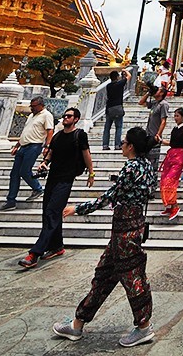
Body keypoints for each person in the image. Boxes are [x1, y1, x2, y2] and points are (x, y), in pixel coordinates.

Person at [55, 127, 157, 348]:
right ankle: (77, 323)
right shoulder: (148, 166)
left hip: (125, 233)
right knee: (103, 276)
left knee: (133, 278)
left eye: (124, 142)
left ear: (131, 146)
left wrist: (78, 208)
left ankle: (144, 326)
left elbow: (110, 196)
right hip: (130, 228)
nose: (121, 145)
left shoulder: (131, 168)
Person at [19, 107, 95, 268]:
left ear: (76, 119)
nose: (65, 118)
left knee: (52, 212)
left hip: (66, 179)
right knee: (49, 212)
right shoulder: (58, 135)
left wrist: (91, 172)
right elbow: (50, 152)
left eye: (69, 116)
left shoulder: (80, 135)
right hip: (52, 177)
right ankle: (57, 246)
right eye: (64, 116)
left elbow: (86, 153)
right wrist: (44, 162)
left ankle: (35, 253)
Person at [0, 96, 53, 211]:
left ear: (41, 105)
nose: (32, 108)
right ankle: (11, 200)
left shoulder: (47, 115)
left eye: (34, 106)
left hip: (34, 146)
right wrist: (17, 145)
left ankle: (37, 188)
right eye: (31, 106)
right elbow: (25, 132)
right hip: (23, 146)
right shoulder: (32, 115)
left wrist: (47, 146)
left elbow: (50, 131)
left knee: (24, 171)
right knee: (14, 173)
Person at [160, 107, 183, 221]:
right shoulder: (174, 129)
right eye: (175, 116)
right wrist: (162, 141)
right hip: (170, 155)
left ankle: (174, 205)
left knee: (170, 181)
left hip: (179, 156)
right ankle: (170, 205)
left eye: (177, 116)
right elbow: (172, 143)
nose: (175, 118)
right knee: (164, 179)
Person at [144, 87, 172, 170]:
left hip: (155, 135)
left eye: (158, 90)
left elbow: (163, 121)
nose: (155, 91)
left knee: (153, 160)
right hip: (148, 134)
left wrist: (158, 134)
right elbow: (141, 102)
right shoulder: (154, 103)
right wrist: (148, 93)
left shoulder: (163, 104)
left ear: (162, 93)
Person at [103, 70, 130, 150]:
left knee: (107, 128)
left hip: (109, 108)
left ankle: (105, 145)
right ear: (117, 77)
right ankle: (117, 145)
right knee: (118, 127)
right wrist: (125, 70)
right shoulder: (119, 84)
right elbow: (129, 76)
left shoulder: (108, 86)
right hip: (118, 107)